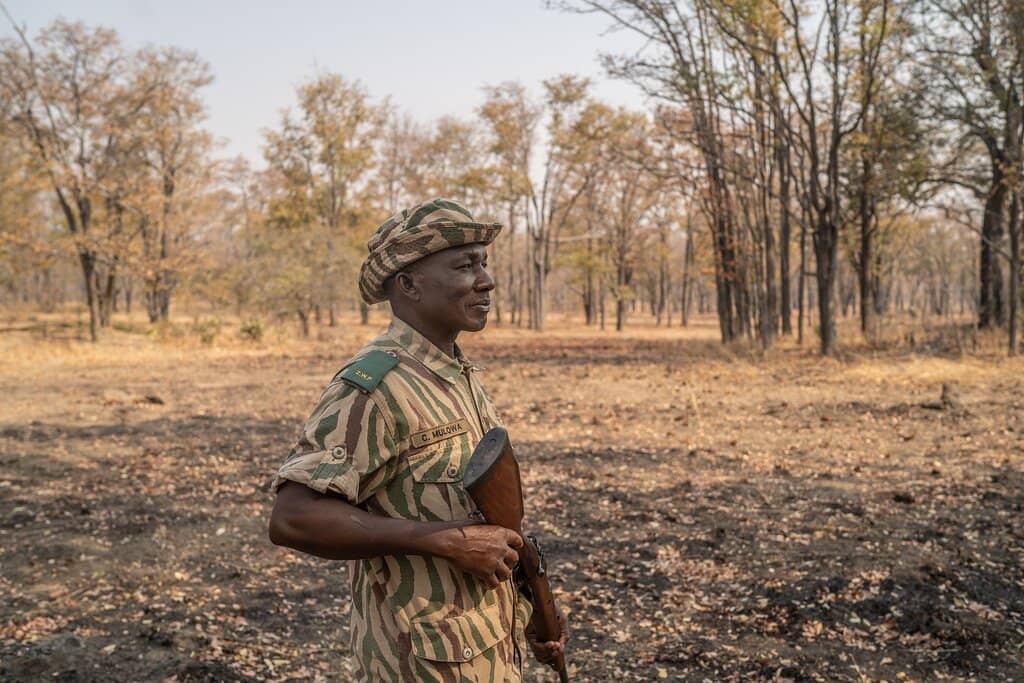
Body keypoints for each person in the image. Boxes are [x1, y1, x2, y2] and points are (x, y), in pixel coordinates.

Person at [268, 198, 568, 682]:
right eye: (464, 266)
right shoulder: (373, 387)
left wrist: (529, 601)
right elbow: (293, 517)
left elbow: (482, 515)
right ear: (408, 284)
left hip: (483, 649)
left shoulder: (457, 374)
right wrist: (445, 542)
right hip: (418, 665)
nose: (486, 281)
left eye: (484, 263)